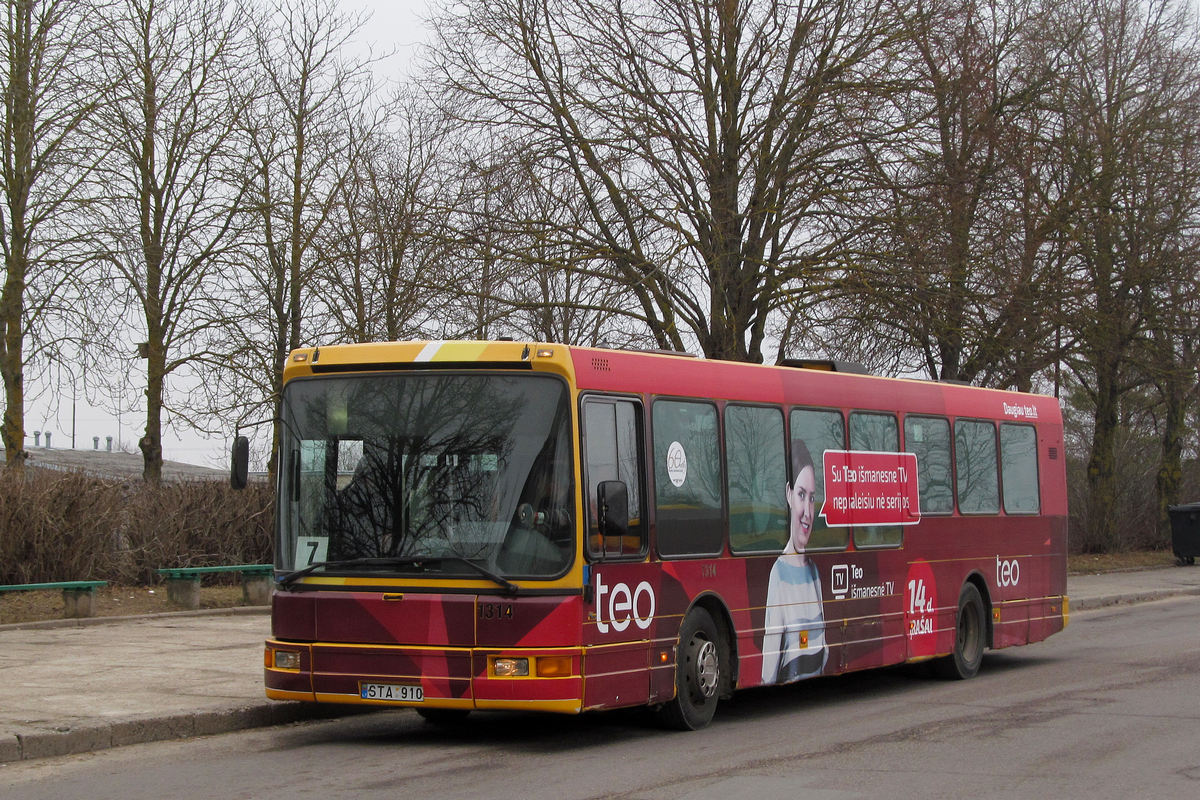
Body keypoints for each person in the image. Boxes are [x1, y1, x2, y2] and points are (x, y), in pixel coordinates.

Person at [760, 438, 829, 684]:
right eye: (801, 495)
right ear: (788, 494)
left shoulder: (814, 573)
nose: (808, 512)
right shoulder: (778, 575)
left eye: (812, 498)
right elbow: (768, 672)